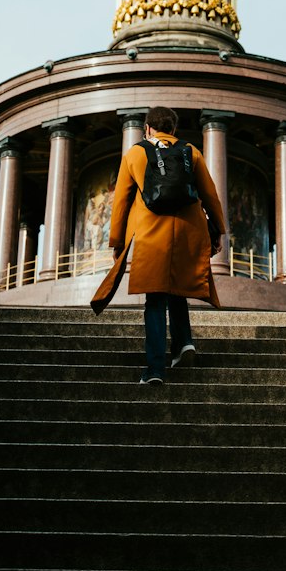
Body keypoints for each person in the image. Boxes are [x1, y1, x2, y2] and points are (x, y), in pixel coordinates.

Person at [90, 106, 227, 383]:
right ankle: (184, 343)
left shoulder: (136, 153)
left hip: (152, 232)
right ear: (172, 130)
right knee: (177, 287)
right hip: (188, 231)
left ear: (148, 128)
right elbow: (210, 195)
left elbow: (121, 202)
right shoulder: (191, 152)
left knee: (155, 300)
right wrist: (219, 231)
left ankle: (154, 370)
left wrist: (117, 242)